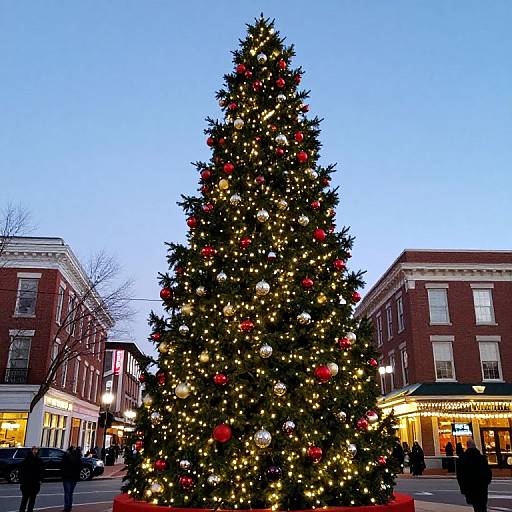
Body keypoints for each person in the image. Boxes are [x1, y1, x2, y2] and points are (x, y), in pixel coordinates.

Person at [456, 439, 492, 512]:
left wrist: (463, 488)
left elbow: (460, 475)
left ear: (467, 446)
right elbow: (488, 472)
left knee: (476, 506)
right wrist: (486, 482)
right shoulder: (482, 458)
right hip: (482, 486)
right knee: (482, 505)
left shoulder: (462, 459)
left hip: (470, 486)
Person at [18, 446, 44, 512]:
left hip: (34, 482)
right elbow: (21, 471)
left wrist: (40, 480)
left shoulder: (39, 460)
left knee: (31, 499)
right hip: (27, 482)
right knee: (25, 499)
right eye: (34, 450)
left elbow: (41, 471)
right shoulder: (27, 460)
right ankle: (23, 510)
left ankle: (29, 510)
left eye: (36, 450)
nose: (35, 451)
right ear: (32, 450)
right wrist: (21, 481)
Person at [61, 447, 82, 512]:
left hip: (67, 477)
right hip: (74, 478)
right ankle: (69, 507)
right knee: (70, 493)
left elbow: (62, 465)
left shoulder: (66, 458)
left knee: (67, 493)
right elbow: (80, 468)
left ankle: (66, 507)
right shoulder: (77, 459)